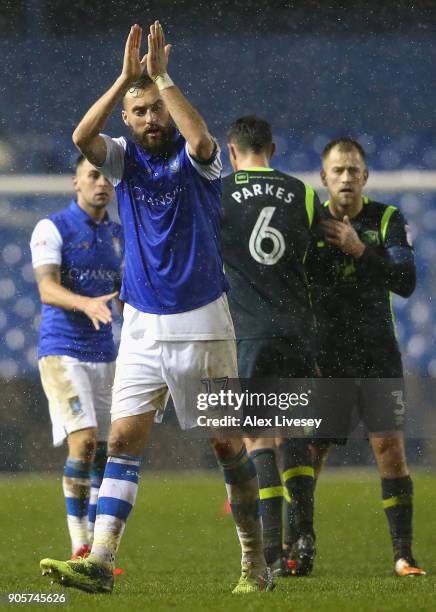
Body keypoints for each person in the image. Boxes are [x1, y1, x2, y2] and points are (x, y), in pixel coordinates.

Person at [40, 21, 273, 595]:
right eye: (139, 111)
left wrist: (162, 76)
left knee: (226, 446)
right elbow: (80, 137)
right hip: (142, 325)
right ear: (128, 118)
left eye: (155, 109)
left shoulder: (200, 162)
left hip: (202, 321)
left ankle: (255, 564)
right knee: (121, 441)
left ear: (168, 109)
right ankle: (100, 560)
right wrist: (125, 77)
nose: (150, 119)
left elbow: (200, 140)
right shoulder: (121, 161)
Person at [306, 137, 425, 577]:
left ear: (366, 177)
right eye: (338, 170)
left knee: (390, 449)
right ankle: (298, 546)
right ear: (323, 178)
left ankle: (404, 554)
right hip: (326, 358)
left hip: (376, 356)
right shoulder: (310, 222)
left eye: (354, 170)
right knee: (311, 452)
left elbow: (405, 281)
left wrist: (360, 249)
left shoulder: (387, 219)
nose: (346, 178)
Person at [220, 115, 319, 576]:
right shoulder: (303, 193)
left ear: (232, 150)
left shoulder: (218, 192)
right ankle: (305, 535)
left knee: (258, 437)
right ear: (272, 150)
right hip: (298, 327)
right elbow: (310, 255)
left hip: (250, 329)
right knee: (295, 430)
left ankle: (274, 553)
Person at [30, 155, 123, 560]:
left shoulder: (121, 234)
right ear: (76, 182)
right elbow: (47, 289)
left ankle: (98, 550)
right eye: (92, 175)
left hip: (106, 352)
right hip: (62, 350)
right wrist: (86, 303)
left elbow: (122, 292)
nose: (101, 182)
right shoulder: (52, 228)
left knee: (106, 450)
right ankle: (79, 543)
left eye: (106, 177)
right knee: (83, 444)